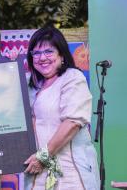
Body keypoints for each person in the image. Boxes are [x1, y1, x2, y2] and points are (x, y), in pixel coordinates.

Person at [21, 26, 100, 190]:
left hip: (70, 175)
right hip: (36, 176)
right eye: (36, 53)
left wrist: (42, 157)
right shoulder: (30, 85)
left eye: (49, 52)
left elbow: (72, 123)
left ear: (62, 55)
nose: (42, 58)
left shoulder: (72, 78)